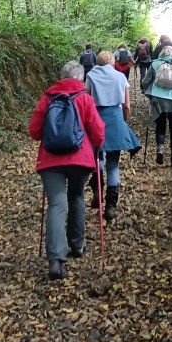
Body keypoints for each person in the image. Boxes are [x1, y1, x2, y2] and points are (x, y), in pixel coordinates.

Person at [28, 60, 105, 282]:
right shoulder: (84, 98)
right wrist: (98, 145)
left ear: (61, 77)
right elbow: (98, 131)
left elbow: (34, 131)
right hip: (80, 159)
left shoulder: (47, 97)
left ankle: (55, 260)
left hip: (50, 160)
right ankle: (77, 245)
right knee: (77, 196)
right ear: (81, 79)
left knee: (57, 204)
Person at [86, 50, 141, 220]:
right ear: (112, 61)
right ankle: (111, 205)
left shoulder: (90, 76)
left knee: (98, 157)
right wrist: (124, 122)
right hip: (115, 119)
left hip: (96, 120)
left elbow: (87, 101)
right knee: (114, 165)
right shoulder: (120, 77)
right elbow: (126, 105)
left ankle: (97, 189)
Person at [142, 44, 172, 167]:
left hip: (158, 99)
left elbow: (145, 82)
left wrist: (148, 91)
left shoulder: (155, 64)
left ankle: (160, 148)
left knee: (160, 124)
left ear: (161, 54)